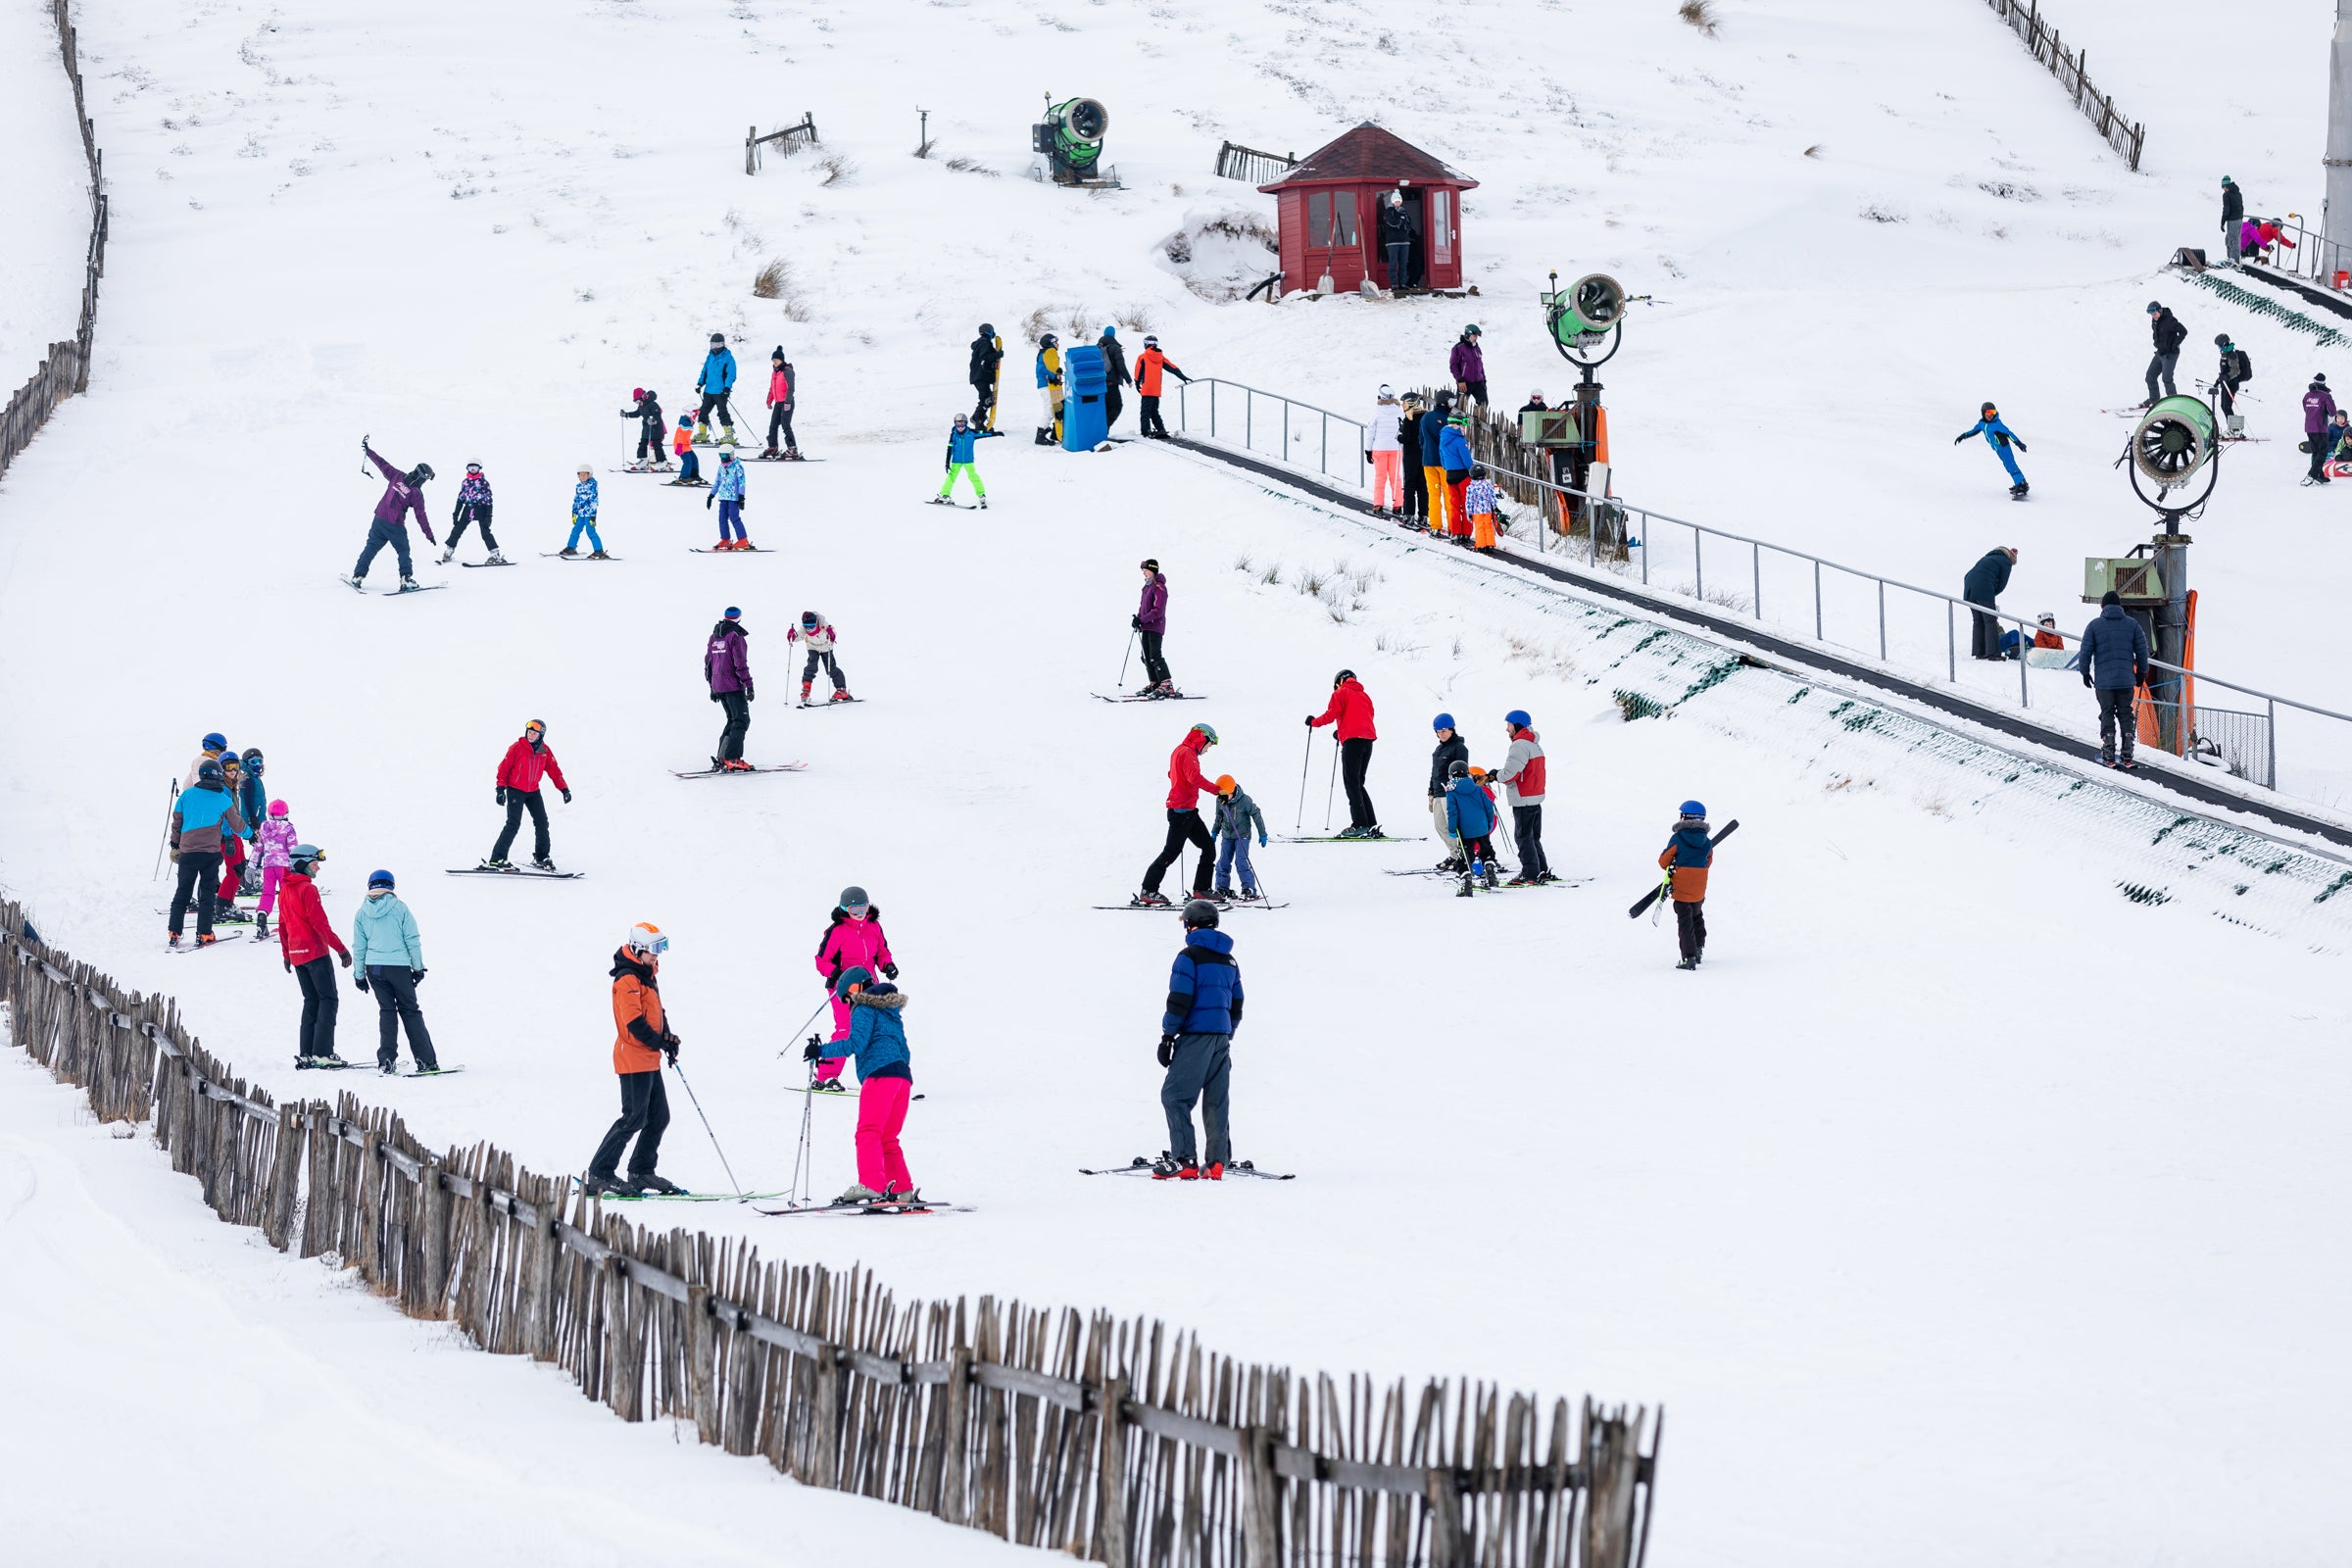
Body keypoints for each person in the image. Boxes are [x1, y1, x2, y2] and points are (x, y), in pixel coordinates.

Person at [586, 923, 684, 1197]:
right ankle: (599, 1173)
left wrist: (668, 1038)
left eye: (661, 949)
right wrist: (659, 1041)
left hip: (649, 1058)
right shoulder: (627, 978)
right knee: (633, 1119)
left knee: (659, 1117)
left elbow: (656, 1013)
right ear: (638, 948)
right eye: (654, 950)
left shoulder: (647, 974)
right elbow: (633, 1024)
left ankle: (641, 1171)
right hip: (632, 1058)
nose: (657, 956)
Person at [1152, 898, 1244, 1180]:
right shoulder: (1229, 960)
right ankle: (1216, 1163)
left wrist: (1168, 1036)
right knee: (1216, 1100)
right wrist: (1226, 1032)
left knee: (1175, 1097)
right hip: (1220, 1038)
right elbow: (1237, 1004)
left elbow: (1179, 1000)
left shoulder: (1188, 956)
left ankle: (1184, 1160)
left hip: (1195, 1036)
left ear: (1191, 926)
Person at [817, 964, 916, 1203]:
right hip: (901, 1078)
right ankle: (903, 1190)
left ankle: (871, 1185)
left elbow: (856, 1044)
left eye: (849, 992)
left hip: (879, 1075)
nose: (849, 999)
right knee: (888, 1138)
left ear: (859, 986)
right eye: (846, 998)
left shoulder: (864, 1006)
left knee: (868, 1132)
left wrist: (821, 1050)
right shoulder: (891, 1012)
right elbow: (904, 1049)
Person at [352, 869, 438, 1073]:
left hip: (375, 969)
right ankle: (426, 1060)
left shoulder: (362, 912)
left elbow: (359, 946)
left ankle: (386, 1060)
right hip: (398, 967)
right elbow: (412, 940)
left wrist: (359, 975)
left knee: (387, 1011)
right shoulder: (400, 908)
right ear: (391, 886)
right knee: (410, 1011)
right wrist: (417, 968)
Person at [810, 886, 896, 1091]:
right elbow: (821, 961)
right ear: (844, 908)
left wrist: (888, 965)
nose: (859, 914)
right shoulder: (836, 931)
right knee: (847, 1029)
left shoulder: (874, 926)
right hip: (843, 989)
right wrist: (837, 974)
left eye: (863, 909)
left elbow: (882, 952)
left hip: (868, 987)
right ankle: (826, 1076)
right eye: (854, 910)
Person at [278, 842, 351, 1066]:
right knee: (328, 1000)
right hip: (316, 954)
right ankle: (323, 1053)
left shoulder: (285, 890)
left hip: (298, 956)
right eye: (314, 864)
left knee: (311, 1001)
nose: (317, 868)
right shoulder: (307, 890)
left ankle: (307, 1052)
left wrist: (287, 955)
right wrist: (341, 949)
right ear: (301, 864)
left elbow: (283, 926)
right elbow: (320, 924)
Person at [1138, 722, 1219, 906]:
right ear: (1202, 739)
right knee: (1171, 852)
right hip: (1181, 812)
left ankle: (1202, 890)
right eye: (1209, 745)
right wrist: (1217, 790)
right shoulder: (1188, 754)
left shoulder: (1178, 751)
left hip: (1187, 811)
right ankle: (1148, 890)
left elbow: (1171, 774)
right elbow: (1194, 778)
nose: (1207, 750)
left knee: (1208, 847)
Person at [167, 759, 246, 947]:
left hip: (188, 853)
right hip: (210, 854)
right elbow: (237, 825)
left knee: (182, 893)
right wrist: (251, 834)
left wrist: (175, 843)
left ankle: (174, 932)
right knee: (207, 895)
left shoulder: (186, 796)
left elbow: (177, 821)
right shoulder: (223, 799)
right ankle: (204, 933)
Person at [2080, 589, 2152, 768]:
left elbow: (2085, 651)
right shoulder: (2133, 625)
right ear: (2120, 606)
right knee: (2126, 712)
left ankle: (2108, 752)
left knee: (2107, 712)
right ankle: (2127, 753)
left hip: (2104, 682)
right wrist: (2141, 673)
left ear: (2102, 606)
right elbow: (2143, 651)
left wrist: (2085, 672)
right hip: (2126, 680)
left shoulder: (2094, 625)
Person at [485, 718, 571, 869]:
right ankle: (497, 858)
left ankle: (542, 857)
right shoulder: (517, 748)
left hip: (533, 791)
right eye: (529, 732)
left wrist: (564, 789)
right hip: (515, 789)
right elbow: (503, 769)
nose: (531, 735)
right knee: (513, 823)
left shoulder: (544, 751)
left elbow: (554, 771)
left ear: (541, 736)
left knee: (542, 823)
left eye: (534, 733)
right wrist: (500, 789)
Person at [352, 440, 436, 590]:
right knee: (403, 550)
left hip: (378, 519)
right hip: (394, 525)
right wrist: (429, 535)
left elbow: (382, 463)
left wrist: (368, 451)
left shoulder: (397, 475)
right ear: (424, 478)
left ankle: (358, 576)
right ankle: (406, 579)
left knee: (370, 548)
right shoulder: (416, 493)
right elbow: (421, 516)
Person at [1306, 670, 1381, 837]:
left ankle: (1360, 825)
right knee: (1358, 783)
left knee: (1351, 783)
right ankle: (1369, 822)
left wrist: (1313, 722)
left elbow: (1332, 714)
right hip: (1367, 742)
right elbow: (1365, 717)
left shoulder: (1340, 693)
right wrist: (1341, 732)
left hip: (1353, 742)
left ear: (1341, 680)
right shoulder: (1365, 696)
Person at [1657, 802, 1715, 970]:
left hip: (1682, 888)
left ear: (1685, 817)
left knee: (1684, 921)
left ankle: (1688, 958)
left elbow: (1663, 862)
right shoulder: (1707, 841)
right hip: (1699, 888)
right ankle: (1698, 950)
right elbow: (1708, 861)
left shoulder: (1677, 838)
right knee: (1697, 915)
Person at [1496, 710, 1552, 885]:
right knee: (1533, 837)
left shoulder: (1519, 744)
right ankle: (1541, 870)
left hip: (1524, 797)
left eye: (1509, 725)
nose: (1507, 729)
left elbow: (1510, 774)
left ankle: (1529, 873)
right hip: (1535, 797)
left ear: (1517, 725)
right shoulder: (1533, 743)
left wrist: (1494, 775)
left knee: (1523, 837)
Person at [706, 607, 755, 771]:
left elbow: (708, 663)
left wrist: (712, 686)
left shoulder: (714, 636)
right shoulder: (735, 637)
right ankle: (732, 758)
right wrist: (749, 685)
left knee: (733, 720)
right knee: (741, 720)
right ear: (739, 618)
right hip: (733, 686)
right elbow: (740, 663)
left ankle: (723, 757)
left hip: (719, 685)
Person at [1443, 760, 1499, 895]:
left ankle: (1466, 881)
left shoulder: (1451, 791)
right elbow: (1488, 806)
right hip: (1482, 827)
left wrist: (1452, 829)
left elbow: (1453, 812)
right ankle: (1490, 869)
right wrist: (1489, 822)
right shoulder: (1477, 788)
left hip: (1465, 830)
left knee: (1465, 857)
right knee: (1486, 850)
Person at [1952, 402, 2030, 497]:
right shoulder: (1982, 424)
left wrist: (2019, 443)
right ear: (1983, 413)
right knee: (2008, 465)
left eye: (1993, 412)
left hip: (2004, 447)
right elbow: (1973, 431)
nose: (1990, 415)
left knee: (2011, 465)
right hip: (1998, 449)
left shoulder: (1997, 424)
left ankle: (2021, 485)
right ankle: (2021, 482)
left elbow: (2009, 433)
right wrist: (1963, 436)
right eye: (1988, 413)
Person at [1209, 775, 1267, 902]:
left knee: (1241, 861)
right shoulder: (1220, 800)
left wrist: (1262, 833)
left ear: (1232, 791)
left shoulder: (1245, 800)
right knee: (1223, 862)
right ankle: (1222, 888)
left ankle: (1249, 888)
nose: (1222, 798)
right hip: (1227, 835)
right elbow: (1219, 817)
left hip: (1242, 836)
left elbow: (1256, 814)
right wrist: (1214, 832)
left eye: (1225, 795)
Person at [932, 413, 1002, 507]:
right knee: (951, 477)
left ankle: (981, 494)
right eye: (958, 425)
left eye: (962, 425)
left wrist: (994, 433)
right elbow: (949, 449)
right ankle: (944, 495)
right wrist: (947, 463)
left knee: (973, 476)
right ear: (955, 424)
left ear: (966, 424)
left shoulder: (971, 433)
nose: (960, 427)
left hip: (969, 460)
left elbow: (983, 433)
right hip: (956, 461)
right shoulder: (953, 435)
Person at [254, 799, 300, 940]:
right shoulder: (288, 828)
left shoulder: (263, 827)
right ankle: (288, 922)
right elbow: (293, 849)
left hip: (268, 866)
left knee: (268, 892)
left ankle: (262, 915)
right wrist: (297, 867)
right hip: (284, 867)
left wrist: (252, 865)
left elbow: (258, 848)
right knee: (286, 894)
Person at [440, 462, 505, 564]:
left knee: (485, 533)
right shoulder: (465, 482)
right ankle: (449, 551)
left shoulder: (484, 483)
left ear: (480, 468)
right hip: (468, 510)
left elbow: (488, 500)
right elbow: (461, 498)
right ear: (467, 469)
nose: (473, 469)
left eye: (475, 467)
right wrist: (456, 513)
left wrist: (489, 515)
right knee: (456, 530)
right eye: (470, 467)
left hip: (481, 510)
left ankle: (495, 554)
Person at [1427, 713, 1469, 868]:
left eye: (1443, 730)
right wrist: (1430, 792)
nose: (1440, 734)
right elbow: (1434, 772)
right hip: (1438, 793)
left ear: (1452, 729)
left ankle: (1463, 855)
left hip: (1451, 793)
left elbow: (1462, 772)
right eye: (1438, 731)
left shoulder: (1459, 748)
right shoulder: (1439, 749)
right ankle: (1455, 854)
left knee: (1454, 827)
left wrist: (1456, 792)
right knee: (1440, 826)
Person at [1962, 546, 2018, 662]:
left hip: (1969, 590)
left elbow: (1968, 574)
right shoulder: (2006, 562)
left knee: (1978, 621)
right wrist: (1991, 593)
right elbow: (2002, 584)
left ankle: (1979, 652)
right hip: (1983, 589)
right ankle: (1993, 654)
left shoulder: (1988, 558)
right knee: (1990, 620)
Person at [1134, 335, 1190, 440]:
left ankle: (1145, 431)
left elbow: (1138, 371)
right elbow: (1173, 368)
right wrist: (1182, 376)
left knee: (1145, 412)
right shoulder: (1161, 358)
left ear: (1146, 344)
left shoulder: (1142, 357)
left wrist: (1137, 383)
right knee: (1154, 410)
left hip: (1146, 389)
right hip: (1156, 389)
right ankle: (1160, 428)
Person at [790, 610, 852, 702]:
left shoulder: (823, 624)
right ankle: (806, 690)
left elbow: (833, 631)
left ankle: (841, 690)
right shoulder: (804, 629)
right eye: (807, 627)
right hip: (812, 647)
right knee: (811, 667)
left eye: (811, 626)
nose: (809, 629)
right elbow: (799, 635)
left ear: (816, 622)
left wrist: (832, 634)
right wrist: (792, 636)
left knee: (831, 668)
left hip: (826, 647)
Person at [1134, 558, 1174, 696]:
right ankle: (1155, 682)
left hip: (1156, 626)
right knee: (1145, 656)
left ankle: (1166, 683)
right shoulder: (1147, 587)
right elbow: (1142, 607)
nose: (1144, 573)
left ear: (1152, 570)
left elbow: (1158, 611)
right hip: (1146, 626)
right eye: (1143, 571)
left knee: (1154, 655)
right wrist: (1138, 619)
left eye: (1146, 571)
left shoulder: (1159, 587)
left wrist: (1142, 619)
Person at [1418, 391, 1453, 534]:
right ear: (1444, 402)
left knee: (1433, 494)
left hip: (1428, 461)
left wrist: (1427, 451)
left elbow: (1421, 439)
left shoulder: (1426, 417)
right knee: (1448, 494)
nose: (1452, 405)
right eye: (1451, 402)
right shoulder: (1448, 420)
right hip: (1445, 463)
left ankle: (1435, 526)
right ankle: (1453, 527)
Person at [696, 331, 739, 445]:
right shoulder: (710, 357)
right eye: (712, 345)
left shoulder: (728, 358)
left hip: (720, 391)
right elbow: (705, 371)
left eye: (717, 345)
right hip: (709, 390)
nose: (714, 347)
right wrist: (700, 384)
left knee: (722, 413)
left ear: (722, 345)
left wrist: (727, 388)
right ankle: (702, 433)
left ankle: (729, 435)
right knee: (703, 411)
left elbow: (731, 374)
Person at [1366, 385, 1403, 515]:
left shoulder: (1377, 412)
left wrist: (1368, 450)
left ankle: (1378, 505)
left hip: (1380, 449)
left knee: (1380, 477)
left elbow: (1370, 432)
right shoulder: (1399, 412)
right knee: (1395, 477)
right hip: (1396, 449)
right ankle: (1398, 505)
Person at [2143, 301, 2185, 407]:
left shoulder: (2170, 320)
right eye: (2151, 314)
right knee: (2150, 376)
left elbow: (2183, 331)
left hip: (2170, 355)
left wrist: (2175, 344)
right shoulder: (2155, 321)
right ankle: (2154, 399)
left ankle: (2174, 403)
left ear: (2160, 310)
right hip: (2160, 353)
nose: (2153, 316)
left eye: (2155, 313)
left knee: (2167, 379)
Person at [562, 465, 607, 558]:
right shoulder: (578, 486)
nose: (582, 477)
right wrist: (574, 513)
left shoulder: (592, 486)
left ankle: (599, 550)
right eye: (580, 475)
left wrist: (593, 517)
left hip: (589, 513)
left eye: (584, 475)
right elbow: (577, 500)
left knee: (590, 531)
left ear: (589, 475)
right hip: (581, 514)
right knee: (576, 529)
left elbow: (594, 501)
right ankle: (571, 547)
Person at [708, 451, 751, 548]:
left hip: (733, 498)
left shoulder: (737, 466)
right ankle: (725, 539)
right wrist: (711, 495)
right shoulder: (721, 467)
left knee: (734, 518)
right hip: (723, 497)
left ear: (731, 455)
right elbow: (717, 482)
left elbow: (742, 482)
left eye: (725, 455)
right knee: (722, 519)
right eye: (721, 455)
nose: (722, 457)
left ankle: (743, 540)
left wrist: (741, 496)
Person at [1397, 394, 1429, 527]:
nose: (1402, 406)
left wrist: (1399, 435)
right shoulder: (1425, 417)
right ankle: (1423, 516)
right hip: (1424, 455)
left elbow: (1405, 438)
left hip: (1411, 456)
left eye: (1404, 403)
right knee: (1422, 486)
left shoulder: (1408, 419)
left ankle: (1409, 515)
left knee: (1410, 485)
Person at [761, 348, 799, 460]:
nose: (775, 362)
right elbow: (772, 388)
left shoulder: (788, 371)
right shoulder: (775, 372)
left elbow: (791, 388)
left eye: (777, 360)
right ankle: (773, 447)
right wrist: (769, 401)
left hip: (787, 402)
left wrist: (787, 401)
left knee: (785, 425)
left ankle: (792, 448)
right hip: (778, 403)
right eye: (773, 360)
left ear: (782, 360)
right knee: (773, 426)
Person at [620, 388, 668, 469]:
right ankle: (643, 460)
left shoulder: (653, 404)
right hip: (646, 428)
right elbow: (637, 413)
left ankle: (662, 462)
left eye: (638, 401)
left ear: (643, 396)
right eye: (636, 402)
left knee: (657, 445)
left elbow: (658, 415)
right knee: (642, 444)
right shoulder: (641, 405)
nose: (638, 403)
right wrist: (626, 414)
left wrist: (654, 420)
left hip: (656, 428)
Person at [2305, 373, 2338, 485]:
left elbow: (2305, 408)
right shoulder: (2325, 396)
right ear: (2324, 383)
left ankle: (2320, 475)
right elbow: (2333, 411)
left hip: (2309, 426)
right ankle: (2312, 474)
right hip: (2321, 427)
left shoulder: (2307, 395)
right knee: (2323, 452)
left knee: (2316, 451)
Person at [968, 324, 1004, 427]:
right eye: (992, 331)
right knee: (986, 399)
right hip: (980, 376)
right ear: (989, 332)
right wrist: (997, 355)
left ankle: (978, 418)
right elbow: (984, 358)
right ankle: (977, 418)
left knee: (986, 398)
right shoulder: (984, 343)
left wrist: (992, 366)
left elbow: (983, 360)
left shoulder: (981, 343)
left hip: (979, 376)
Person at [2212, 335, 2250, 430]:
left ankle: (2234, 430)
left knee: (2227, 407)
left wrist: (2227, 377)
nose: (2219, 348)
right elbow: (2224, 371)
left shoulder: (2232, 355)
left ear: (2224, 344)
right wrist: (2218, 381)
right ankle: (2232, 428)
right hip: (2226, 384)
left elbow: (2236, 370)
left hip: (2232, 384)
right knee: (2224, 406)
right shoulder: (2224, 354)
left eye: (2220, 346)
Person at [1379, 190, 1414, 287]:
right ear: (1392, 201)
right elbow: (1392, 223)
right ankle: (1394, 284)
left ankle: (1403, 283)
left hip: (1405, 241)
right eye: (1396, 201)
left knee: (1403, 263)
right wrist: (1401, 222)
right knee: (1393, 263)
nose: (1397, 203)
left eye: (1399, 201)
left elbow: (1409, 225)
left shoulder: (1404, 212)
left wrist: (1401, 223)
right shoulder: (1388, 211)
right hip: (1392, 242)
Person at [1100, 325, 1131, 432]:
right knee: (1117, 406)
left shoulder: (1097, 347)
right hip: (1111, 383)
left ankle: (1103, 431)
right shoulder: (1115, 348)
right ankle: (1104, 427)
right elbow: (1121, 366)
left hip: (1099, 383)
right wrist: (1129, 380)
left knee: (1106, 408)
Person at [1035, 332, 1064, 445]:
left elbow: (1051, 367)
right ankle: (1040, 435)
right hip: (1045, 387)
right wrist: (1053, 376)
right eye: (1055, 342)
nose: (1058, 344)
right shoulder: (1045, 354)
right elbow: (1041, 370)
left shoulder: (1049, 354)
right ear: (1049, 344)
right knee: (1049, 411)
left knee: (1058, 408)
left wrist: (1057, 372)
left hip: (1050, 387)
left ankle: (1055, 432)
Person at [1450, 324, 1488, 410]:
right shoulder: (1458, 348)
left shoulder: (1476, 347)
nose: (1476, 338)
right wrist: (1460, 380)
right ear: (1468, 334)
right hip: (1465, 383)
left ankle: (1477, 422)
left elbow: (1480, 365)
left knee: (1483, 404)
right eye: (1474, 336)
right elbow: (1453, 366)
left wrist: (1484, 381)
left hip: (1478, 382)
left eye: (1477, 336)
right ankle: (1459, 422)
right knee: (1460, 406)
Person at [1463, 473, 1502, 551]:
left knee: (1479, 528)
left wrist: (1469, 513)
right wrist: (1494, 507)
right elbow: (1492, 497)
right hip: (1487, 510)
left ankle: (1481, 545)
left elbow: (1469, 501)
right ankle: (1490, 544)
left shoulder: (1471, 487)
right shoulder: (1487, 485)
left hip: (1477, 512)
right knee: (1488, 527)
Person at [672, 413, 703, 485]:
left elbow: (686, 436)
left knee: (694, 459)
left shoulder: (688, 423)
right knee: (687, 461)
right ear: (689, 415)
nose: (695, 418)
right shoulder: (684, 424)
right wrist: (679, 447)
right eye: (694, 416)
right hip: (681, 446)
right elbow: (680, 436)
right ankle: (683, 477)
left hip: (686, 446)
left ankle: (694, 475)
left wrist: (689, 441)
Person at [2220, 175, 2244, 265]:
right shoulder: (2238, 193)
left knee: (2233, 240)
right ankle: (2230, 258)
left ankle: (2235, 261)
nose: (2223, 190)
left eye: (2223, 187)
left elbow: (2226, 209)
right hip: (2239, 219)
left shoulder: (2226, 195)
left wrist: (2222, 222)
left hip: (2232, 220)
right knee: (2230, 239)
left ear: (2225, 186)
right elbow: (2242, 206)